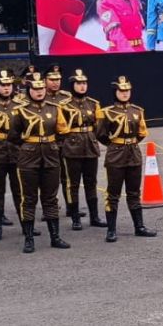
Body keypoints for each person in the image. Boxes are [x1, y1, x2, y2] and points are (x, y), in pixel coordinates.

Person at [7, 72, 71, 253]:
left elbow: (63, 131)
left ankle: (55, 236)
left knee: (50, 198)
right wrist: (30, 144)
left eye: (41, 88)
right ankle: (28, 238)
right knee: (29, 199)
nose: (39, 92)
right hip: (28, 158)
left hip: (50, 156)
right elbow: (13, 136)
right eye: (35, 89)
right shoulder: (20, 110)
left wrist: (51, 144)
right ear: (29, 90)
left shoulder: (54, 108)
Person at [96, 76, 156, 242]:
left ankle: (139, 227)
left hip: (133, 154)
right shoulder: (106, 112)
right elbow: (100, 134)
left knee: (134, 193)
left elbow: (142, 132)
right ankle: (111, 230)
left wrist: (131, 143)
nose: (124, 94)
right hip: (116, 155)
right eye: (121, 91)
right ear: (115, 92)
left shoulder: (137, 111)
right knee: (113, 194)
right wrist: (115, 145)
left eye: (127, 91)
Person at [0, 70, 36, 241]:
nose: (6, 89)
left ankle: (26, 225)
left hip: (17, 152)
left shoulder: (20, 108)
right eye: (3, 86)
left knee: (20, 191)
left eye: (9, 85)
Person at [60, 69, 106, 230]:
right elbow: (60, 128)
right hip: (72, 146)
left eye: (84, 83)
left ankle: (94, 216)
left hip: (90, 145)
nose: (82, 86)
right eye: (78, 83)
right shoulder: (64, 105)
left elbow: (98, 127)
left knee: (91, 182)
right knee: (73, 184)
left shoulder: (93, 103)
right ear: (72, 85)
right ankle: (75, 218)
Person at [44, 64, 76, 219]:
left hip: (65, 142)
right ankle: (50, 208)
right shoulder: (39, 96)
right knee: (48, 179)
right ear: (44, 80)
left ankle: (71, 207)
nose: (55, 82)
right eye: (51, 79)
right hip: (47, 142)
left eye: (58, 79)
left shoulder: (67, 97)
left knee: (67, 177)